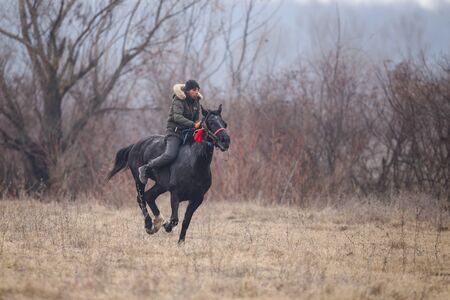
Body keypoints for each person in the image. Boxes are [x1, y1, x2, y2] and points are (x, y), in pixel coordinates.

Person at [138, 79, 203, 184]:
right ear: (187, 91)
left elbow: (195, 119)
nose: (197, 92)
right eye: (194, 89)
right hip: (175, 133)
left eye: (198, 89)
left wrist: (199, 126)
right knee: (170, 155)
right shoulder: (178, 99)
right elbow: (177, 117)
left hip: (188, 133)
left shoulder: (196, 102)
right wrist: (193, 124)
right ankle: (146, 168)